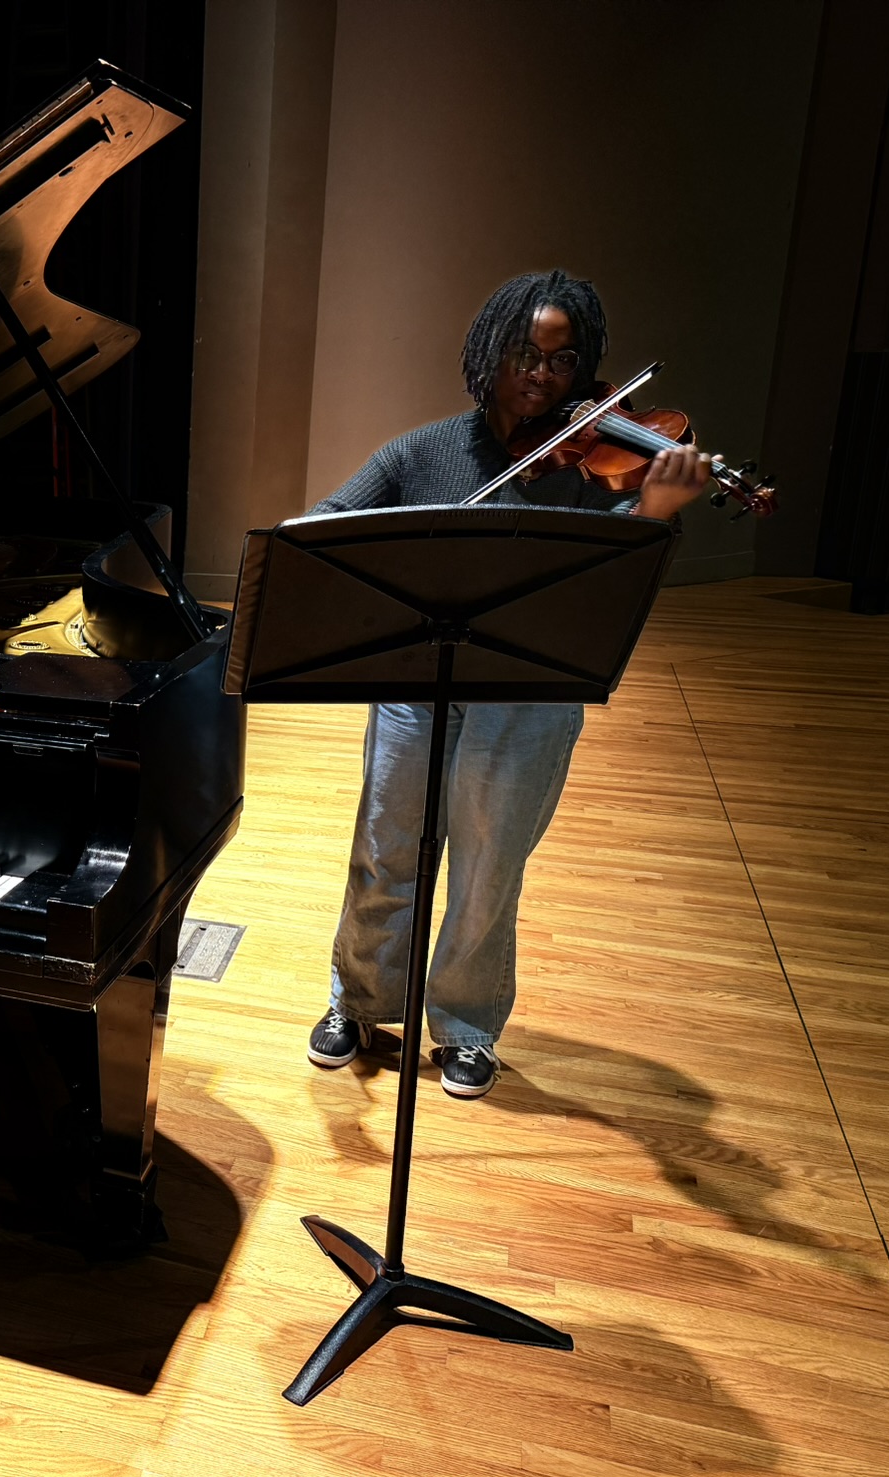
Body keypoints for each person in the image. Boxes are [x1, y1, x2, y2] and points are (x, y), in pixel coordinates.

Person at [305, 270, 711, 1099]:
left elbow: (611, 593)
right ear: (489, 351)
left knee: (491, 865)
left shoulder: (599, 465)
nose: (541, 375)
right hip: (418, 682)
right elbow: (327, 524)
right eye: (525, 352)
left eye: (564, 362)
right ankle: (361, 1000)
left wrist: (655, 514)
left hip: (526, 693)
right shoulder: (423, 451)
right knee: (386, 847)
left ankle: (466, 1023)